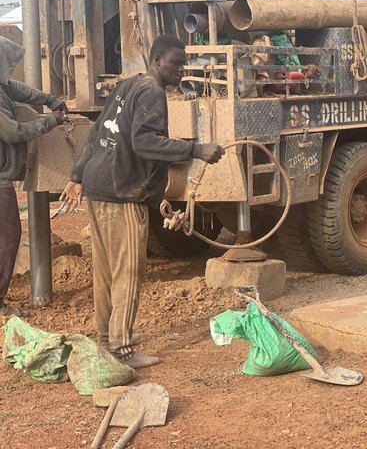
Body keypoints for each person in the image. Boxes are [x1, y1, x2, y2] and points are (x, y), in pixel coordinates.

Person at [60, 34, 225, 370]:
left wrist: (76, 176)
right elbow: (145, 142)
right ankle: (121, 348)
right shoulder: (152, 91)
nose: (181, 70)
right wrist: (196, 149)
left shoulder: (126, 86)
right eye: (175, 63)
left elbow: (96, 132)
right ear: (156, 59)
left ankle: (107, 338)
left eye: (184, 64)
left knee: (107, 272)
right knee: (129, 273)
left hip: (98, 186)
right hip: (122, 193)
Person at [0, 38, 69, 317]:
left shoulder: (3, 86)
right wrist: (52, 121)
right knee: (7, 237)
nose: (11, 71)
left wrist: (49, 99)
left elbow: (19, 89)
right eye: (9, 64)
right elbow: (13, 132)